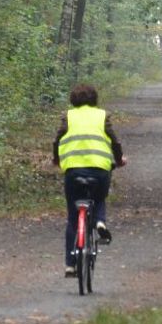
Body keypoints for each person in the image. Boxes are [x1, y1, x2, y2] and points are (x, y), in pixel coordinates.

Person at [52, 83, 126, 277]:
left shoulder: (68, 116)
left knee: (72, 218)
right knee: (99, 198)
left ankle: (70, 264)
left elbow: (58, 139)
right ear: (95, 99)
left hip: (74, 171)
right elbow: (114, 140)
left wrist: (56, 159)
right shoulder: (102, 116)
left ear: (73, 100)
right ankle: (100, 222)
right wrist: (119, 160)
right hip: (100, 168)